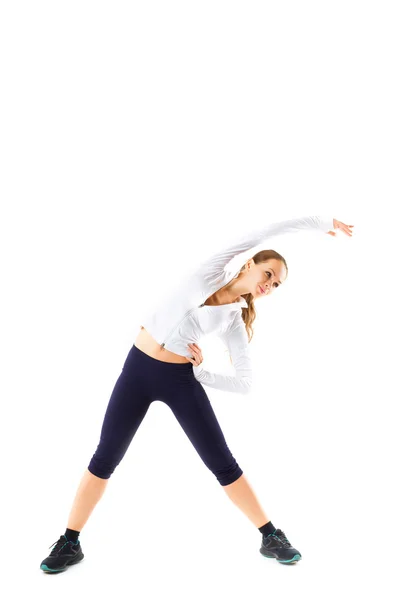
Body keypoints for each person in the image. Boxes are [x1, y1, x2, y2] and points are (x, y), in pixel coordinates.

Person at [40, 215, 354, 572]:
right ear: (250, 263)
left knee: (222, 462)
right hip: (137, 370)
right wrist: (320, 223)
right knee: (104, 457)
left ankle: (271, 536)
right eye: (268, 274)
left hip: (179, 380)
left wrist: (200, 372)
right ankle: (70, 541)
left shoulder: (234, 319)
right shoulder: (212, 270)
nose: (270, 285)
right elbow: (265, 229)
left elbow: (245, 382)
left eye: (277, 285)